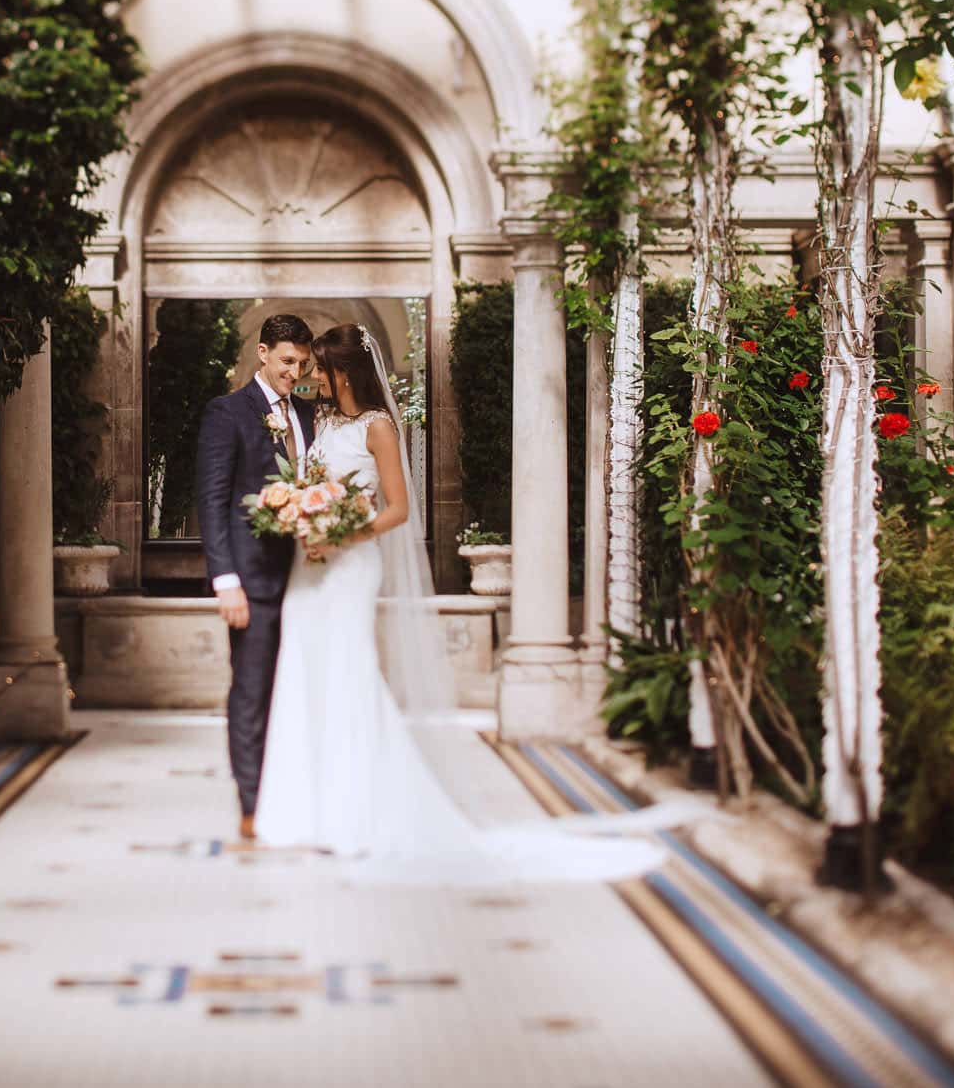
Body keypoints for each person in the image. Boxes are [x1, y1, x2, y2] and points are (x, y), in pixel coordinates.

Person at [256, 323, 686, 883]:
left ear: (342, 371)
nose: (311, 378)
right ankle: (301, 807)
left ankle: (356, 809)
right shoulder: (323, 420)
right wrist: (301, 515)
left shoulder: (378, 427)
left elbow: (398, 510)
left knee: (348, 672)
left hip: (350, 565)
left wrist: (342, 534)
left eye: (319, 369)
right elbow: (313, 480)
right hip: (310, 567)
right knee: (305, 671)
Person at [193, 313, 318, 841]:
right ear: (262, 354)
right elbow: (213, 500)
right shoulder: (228, 413)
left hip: (309, 581)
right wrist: (226, 580)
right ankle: (251, 804)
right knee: (252, 693)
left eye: (304, 364)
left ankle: (293, 794)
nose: (296, 372)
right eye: (288, 361)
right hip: (254, 579)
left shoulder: (312, 416)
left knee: (296, 694)